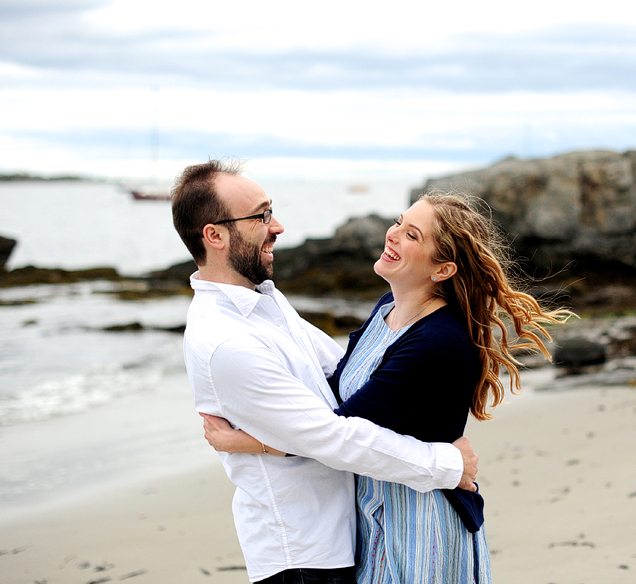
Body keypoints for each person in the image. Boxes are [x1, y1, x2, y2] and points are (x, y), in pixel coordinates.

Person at [204, 190, 572, 583]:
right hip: (376, 513)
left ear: (442, 270)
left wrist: (246, 441)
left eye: (413, 235)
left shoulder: (437, 342)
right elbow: (333, 391)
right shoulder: (387, 311)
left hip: (420, 522)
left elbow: (337, 430)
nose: (393, 234)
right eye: (399, 222)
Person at [171, 159, 479, 584]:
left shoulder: (265, 301)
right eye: (261, 216)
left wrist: (257, 442)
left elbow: (343, 382)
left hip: (354, 534)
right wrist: (445, 462)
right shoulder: (226, 341)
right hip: (301, 553)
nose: (277, 225)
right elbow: (332, 435)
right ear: (215, 235)